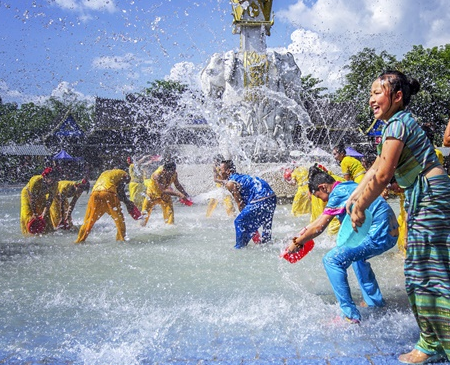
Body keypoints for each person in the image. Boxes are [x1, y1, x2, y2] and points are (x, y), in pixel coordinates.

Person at [347, 70, 450, 364]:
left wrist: (361, 206)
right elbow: (378, 165)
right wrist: (358, 192)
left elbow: (382, 174)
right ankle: (432, 341)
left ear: (397, 96)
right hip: (427, 196)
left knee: (429, 273)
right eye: (370, 94)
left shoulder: (399, 124)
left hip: (430, 196)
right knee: (421, 272)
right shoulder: (394, 124)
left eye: (377, 93)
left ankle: (435, 343)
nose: (371, 100)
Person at [287, 165, 398, 323]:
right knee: (357, 258)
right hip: (390, 232)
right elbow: (318, 221)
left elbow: (320, 227)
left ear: (323, 187)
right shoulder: (348, 186)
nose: (323, 201)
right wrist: (301, 234)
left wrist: (297, 243)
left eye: (321, 197)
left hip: (379, 233)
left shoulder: (337, 193)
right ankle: (375, 302)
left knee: (332, 260)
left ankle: (349, 316)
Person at [220, 160, 277, 249]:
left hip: (260, 198)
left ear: (228, 171)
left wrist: (247, 223)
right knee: (266, 224)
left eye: (221, 170)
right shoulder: (242, 177)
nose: (220, 173)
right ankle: (266, 244)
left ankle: (239, 248)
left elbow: (240, 204)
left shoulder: (230, 183)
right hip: (272, 196)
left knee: (239, 221)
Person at [75, 169, 133, 243]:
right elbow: (120, 191)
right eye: (127, 182)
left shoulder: (106, 173)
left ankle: (79, 240)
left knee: (89, 220)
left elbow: (118, 192)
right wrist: (127, 202)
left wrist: (125, 201)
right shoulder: (124, 175)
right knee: (119, 219)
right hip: (109, 193)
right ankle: (121, 240)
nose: (126, 183)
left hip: (95, 193)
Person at [141, 159, 190, 226]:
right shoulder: (157, 175)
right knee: (143, 218)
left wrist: (186, 194)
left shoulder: (174, 173)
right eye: (170, 172)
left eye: (174, 171)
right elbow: (163, 190)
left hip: (165, 197)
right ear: (164, 170)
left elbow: (177, 185)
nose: (172, 174)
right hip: (152, 195)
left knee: (170, 220)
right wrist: (179, 194)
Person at [20, 167, 59, 236]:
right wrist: (34, 213)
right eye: (50, 177)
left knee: (46, 215)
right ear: (44, 177)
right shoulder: (36, 180)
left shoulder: (55, 184)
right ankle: (28, 233)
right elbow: (32, 199)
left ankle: (48, 231)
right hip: (27, 194)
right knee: (28, 213)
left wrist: (44, 213)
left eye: (54, 177)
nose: (52, 180)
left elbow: (49, 200)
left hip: (41, 195)